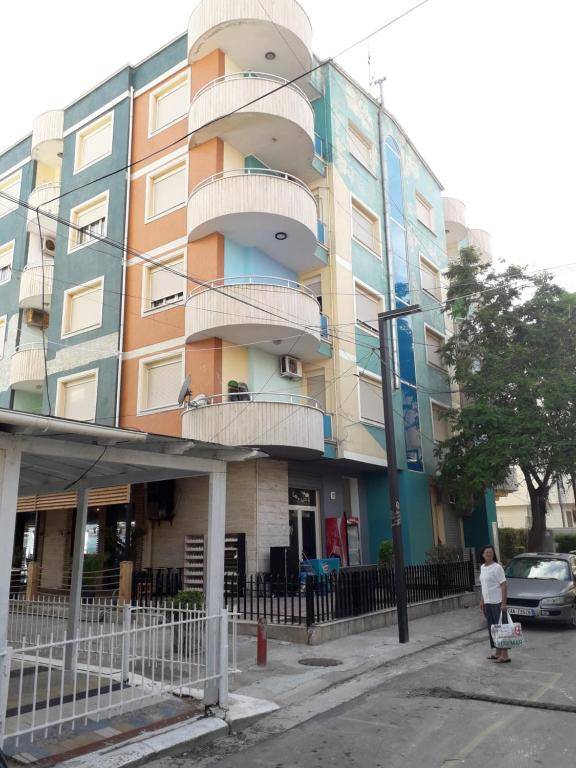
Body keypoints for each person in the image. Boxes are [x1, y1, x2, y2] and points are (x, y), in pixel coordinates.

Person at [479, 544, 510, 663]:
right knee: (493, 628)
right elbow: (484, 586)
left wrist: (504, 603)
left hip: (497, 602)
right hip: (487, 603)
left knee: (501, 628)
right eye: (486, 552)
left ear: (493, 554)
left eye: (491, 552)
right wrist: (482, 600)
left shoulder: (497, 567)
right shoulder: (482, 567)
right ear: (482, 555)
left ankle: (505, 655)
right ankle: (497, 653)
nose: (489, 554)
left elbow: (503, 585)